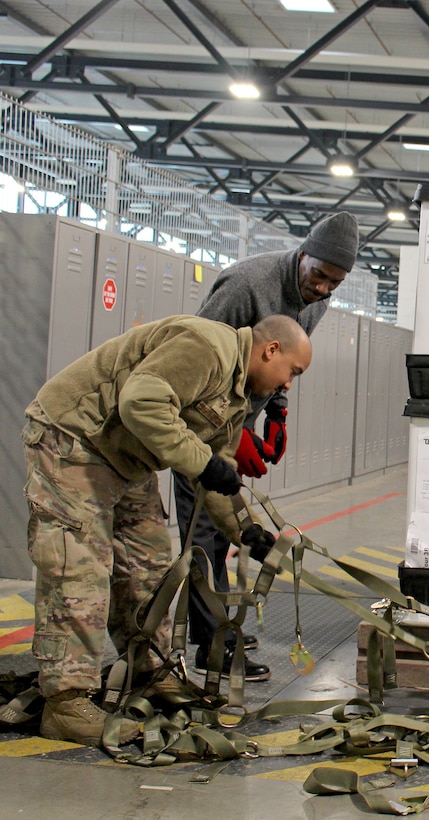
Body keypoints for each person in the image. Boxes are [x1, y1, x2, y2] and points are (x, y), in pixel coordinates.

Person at [21, 314, 312, 747]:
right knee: (80, 572)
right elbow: (141, 403)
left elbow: (215, 469)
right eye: (293, 371)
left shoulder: (237, 395)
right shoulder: (205, 347)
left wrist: (245, 529)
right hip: (75, 439)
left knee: (150, 566)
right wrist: (206, 465)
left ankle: (151, 671)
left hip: (126, 458)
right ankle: (65, 703)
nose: (288, 384)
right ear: (270, 350)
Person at [173, 211, 359, 681]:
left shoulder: (317, 300)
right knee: (202, 528)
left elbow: (287, 359)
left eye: (334, 284)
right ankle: (216, 644)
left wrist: (276, 412)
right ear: (303, 254)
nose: (322, 290)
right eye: (318, 276)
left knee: (221, 529)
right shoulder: (245, 286)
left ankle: (207, 624)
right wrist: (231, 436)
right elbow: (193, 361)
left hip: (238, 417)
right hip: (196, 423)